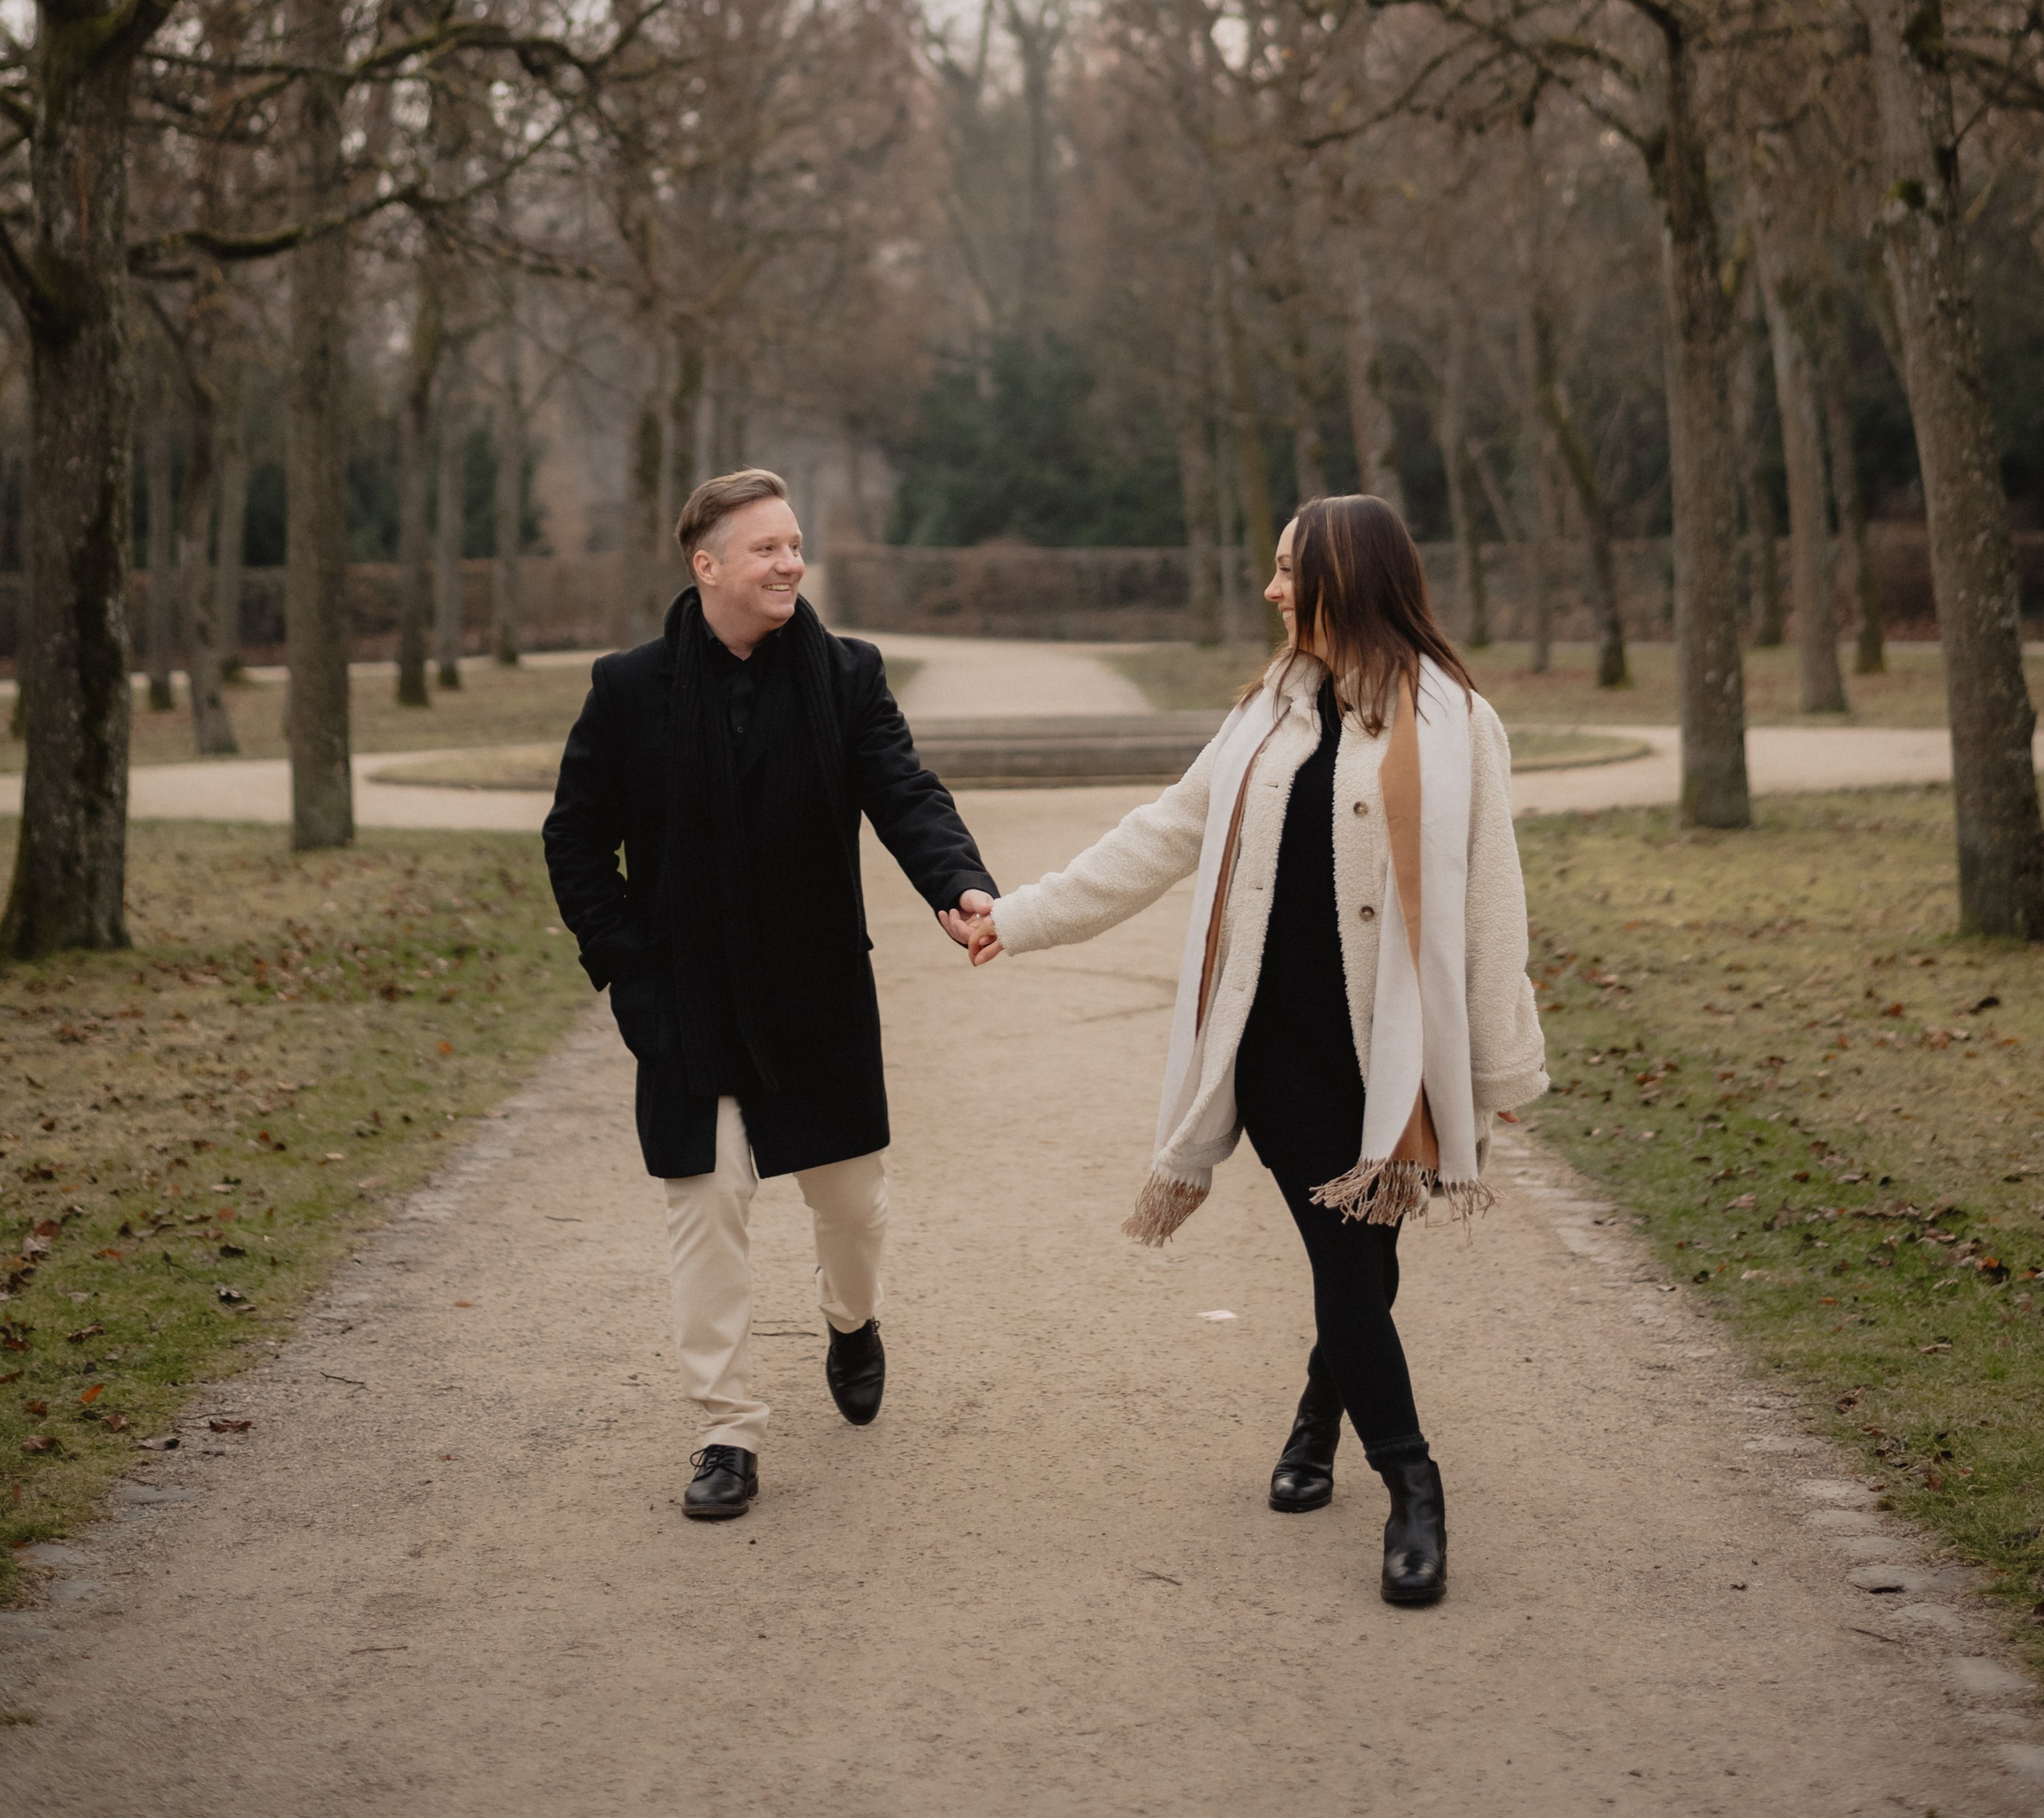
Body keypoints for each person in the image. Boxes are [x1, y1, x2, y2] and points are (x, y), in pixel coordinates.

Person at [966, 493, 1545, 1608]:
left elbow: (1492, 904)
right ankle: (1414, 1488)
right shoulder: (1264, 718)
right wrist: (1021, 916)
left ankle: (1318, 1418)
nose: (1273, 590)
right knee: (1344, 1259)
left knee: (1368, 1264)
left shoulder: (1457, 721)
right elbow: (1164, 834)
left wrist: (1495, 1068)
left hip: (1393, 1045)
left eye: (1290, 571)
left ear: (1345, 576)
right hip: (1274, 1037)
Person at [543, 468, 998, 1520]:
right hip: (686, 1001)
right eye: (767, 549)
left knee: (850, 1204)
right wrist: (624, 961)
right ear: (707, 567)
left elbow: (904, 791)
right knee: (705, 1207)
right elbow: (574, 837)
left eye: (796, 545)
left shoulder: (846, 674)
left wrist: (958, 885)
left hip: (816, 995)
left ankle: (852, 1320)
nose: (792, 563)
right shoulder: (628, 687)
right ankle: (725, 1430)